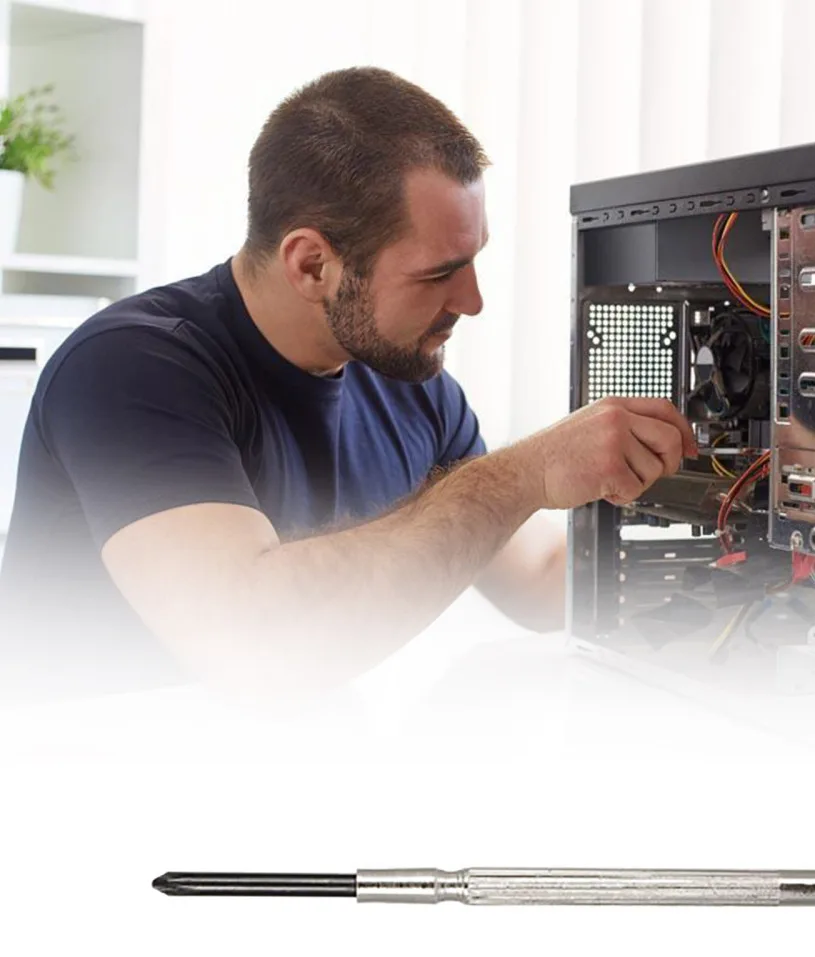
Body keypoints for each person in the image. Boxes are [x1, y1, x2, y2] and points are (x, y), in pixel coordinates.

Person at [0, 67, 695, 695]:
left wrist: (726, 555)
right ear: (311, 265)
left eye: (473, 260)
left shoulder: (411, 382)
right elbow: (251, 641)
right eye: (438, 273)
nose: (473, 301)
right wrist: (524, 473)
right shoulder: (131, 368)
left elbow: (539, 580)